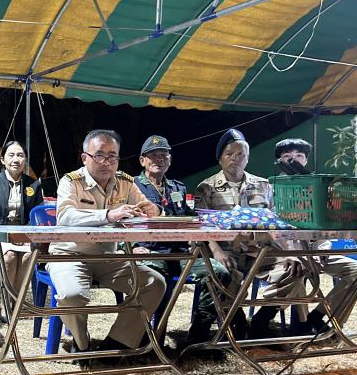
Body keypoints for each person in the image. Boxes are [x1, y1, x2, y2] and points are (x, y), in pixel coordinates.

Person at [46, 129, 165, 367]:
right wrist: (108, 214)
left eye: (113, 156)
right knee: (71, 295)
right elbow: (65, 216)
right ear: (85, 158)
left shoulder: (125, 183)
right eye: (99, 155)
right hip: (70, 254)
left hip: (109, 257)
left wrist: (154, 211)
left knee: (155, 284)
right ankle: (82, 345)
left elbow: (147, 209)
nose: (107, 162)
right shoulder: (71, 181)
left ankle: (114, 346)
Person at [197, 129, 305, 339]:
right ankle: (235, 320)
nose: (235, 158)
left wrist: (290, 252)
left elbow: (278, 223)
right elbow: (203, 227)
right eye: (229, 154)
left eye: (241, 154)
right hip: (229, 254)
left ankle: (262, 319)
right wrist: (216, 251)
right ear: (220, 158)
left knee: (295, 270)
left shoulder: (263, 185)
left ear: (247, 158)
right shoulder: (207, 187)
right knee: (223, 276)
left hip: (261, 252)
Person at [132, 135, 233, 348]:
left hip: (180, 253)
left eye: (164, 155)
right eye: (153, 155)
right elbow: (121, 221)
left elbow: (190, 219)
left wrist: (198, 240)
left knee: (219, 273)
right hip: (150, 252)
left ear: (170, 160)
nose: (159, 159)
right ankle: (148, 339)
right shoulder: (131, 187)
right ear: (142, 160)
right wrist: (132, 247)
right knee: (156, 279)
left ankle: (198, 338)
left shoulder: (177, 188)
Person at [275, 138, 357, 335]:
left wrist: (323, 249)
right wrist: (292, 253)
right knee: (297, 269)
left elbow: (324, 226)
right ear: (279, 161)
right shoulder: (272, 188)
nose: (294, 160)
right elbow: (273, 231)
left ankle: (319, 318)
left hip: (315, 251)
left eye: (299, 155)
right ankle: (300, 327)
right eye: (287, 156)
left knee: (355, 272)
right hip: (285, 254)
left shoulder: (317, 188)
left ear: (306, 160)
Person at [0, 140, 43, 296]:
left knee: (28, 256)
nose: (16, 159)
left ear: (25, 160)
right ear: (3, 160)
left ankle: (16, 301)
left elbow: (36, 214)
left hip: (25, 236)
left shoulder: (34, 184)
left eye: (20, 155)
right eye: (11, 155)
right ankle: (7, 303)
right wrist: (10, 235)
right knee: (9, 257)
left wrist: (24, 235)